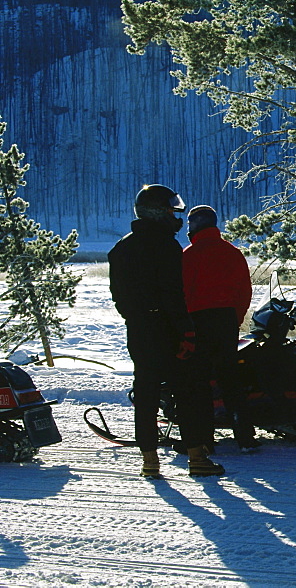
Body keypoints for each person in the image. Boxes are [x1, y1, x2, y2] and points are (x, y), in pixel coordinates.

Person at [108, 184, 225, 478]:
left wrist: (136, 319)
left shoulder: (121, 249)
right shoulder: (167, 246)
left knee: (146, 393)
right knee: (186, 393)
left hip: (139, 329)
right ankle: (196, 457)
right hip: (168, 328)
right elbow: (175, 295)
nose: (176, 216)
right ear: (157, 212)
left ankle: (150, 462)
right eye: (172, 210)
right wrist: (185, 331)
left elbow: (119, 298)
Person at [181, 205, 258, 451]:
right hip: (226, 321)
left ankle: (203, 440)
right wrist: (235, 317)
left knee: (200, 382)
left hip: (198, 321)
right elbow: (245, 290)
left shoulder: (188, 255)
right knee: (230, 379)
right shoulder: (232, 253)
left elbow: (182, 293)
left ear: (195, 225)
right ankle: (245, 437)